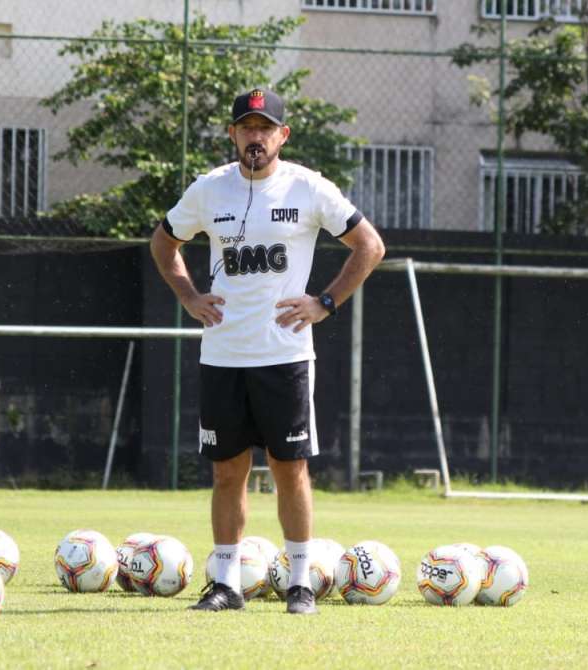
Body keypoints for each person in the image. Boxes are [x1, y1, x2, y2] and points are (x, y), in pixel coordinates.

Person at [150, 87, 385, 614]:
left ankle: (300, 583)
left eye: (265, 128)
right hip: (223, 356)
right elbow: (163, 243)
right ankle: (225, 584)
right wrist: (189, 296)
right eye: (246, 127)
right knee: (226, 472)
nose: (255, 137)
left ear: (283, 135)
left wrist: (325, 301)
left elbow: (370, 246)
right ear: (232, 134)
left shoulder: (307, 187)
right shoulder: (209, 190)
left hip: (285, 357)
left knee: (290, 469)